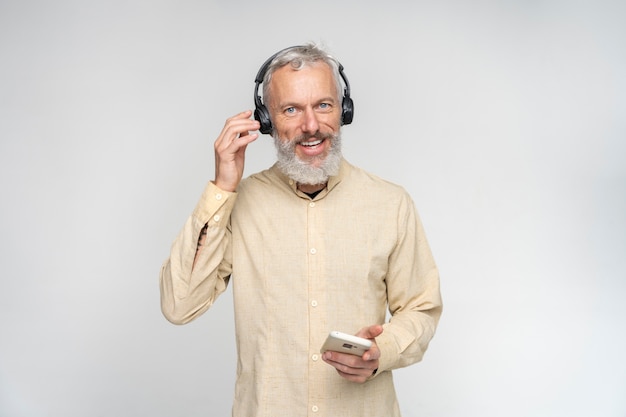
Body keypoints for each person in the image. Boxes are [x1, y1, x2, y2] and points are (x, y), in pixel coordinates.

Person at [160, 43, 442, 417]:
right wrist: (223, 187)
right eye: (291, 109)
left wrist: (381, 352)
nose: (311, 126)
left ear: (344, 111)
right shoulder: (238, 204)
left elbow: (421, 309)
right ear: (266, 120)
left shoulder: (391, 203)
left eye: (323, 105)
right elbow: (179, 305)